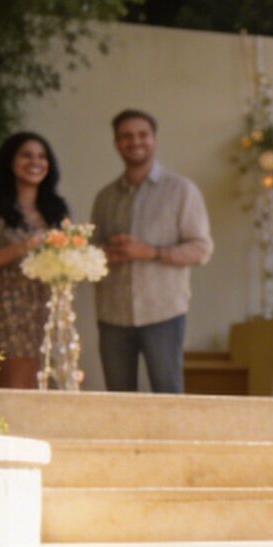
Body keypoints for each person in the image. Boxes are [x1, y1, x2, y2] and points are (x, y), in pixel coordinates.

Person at [91, 110, 213, 393]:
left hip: (163, 311)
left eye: (142, 134)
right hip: (112, 313)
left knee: (167, 392)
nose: (135, 141)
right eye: (126, 136)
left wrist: (151, 252)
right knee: (118, 397)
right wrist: (106, 253)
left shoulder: (181, 190)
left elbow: (202, 248)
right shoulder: (105, 197)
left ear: (154, 140)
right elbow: (92, 252)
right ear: (116, 143)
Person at [0, 132, 68, 389]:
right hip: (9, 306)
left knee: (48, 385)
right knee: (15, 387)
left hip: (49, 306)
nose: (35, 162)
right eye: (26, 155)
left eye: (42, 156)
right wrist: (24, 246)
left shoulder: (56, 209)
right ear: (10, 161)